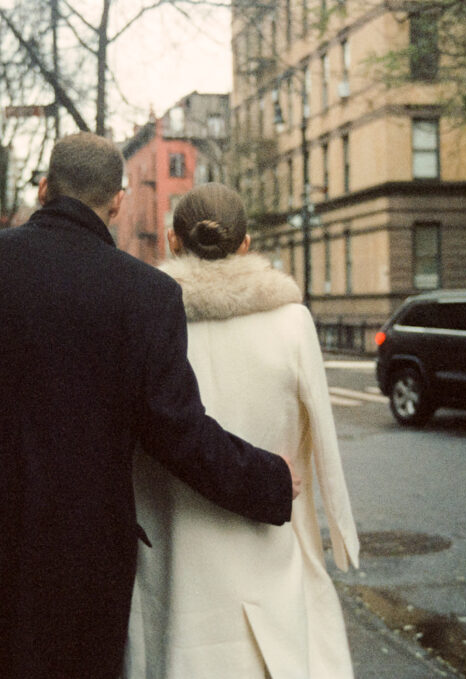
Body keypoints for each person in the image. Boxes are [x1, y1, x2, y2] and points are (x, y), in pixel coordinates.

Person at [0, 133, 299, 679]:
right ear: (119, 200)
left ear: (44, 188)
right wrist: (267, 480)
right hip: (81, 564)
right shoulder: (145, 295)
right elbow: (178, 431)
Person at [124, 183, 360, 679]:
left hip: (173, 540)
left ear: (172, 241)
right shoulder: (292, 323)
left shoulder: (146, 324)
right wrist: (341, 531)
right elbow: (325, 441)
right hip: (266, 535)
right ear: (247, 244)